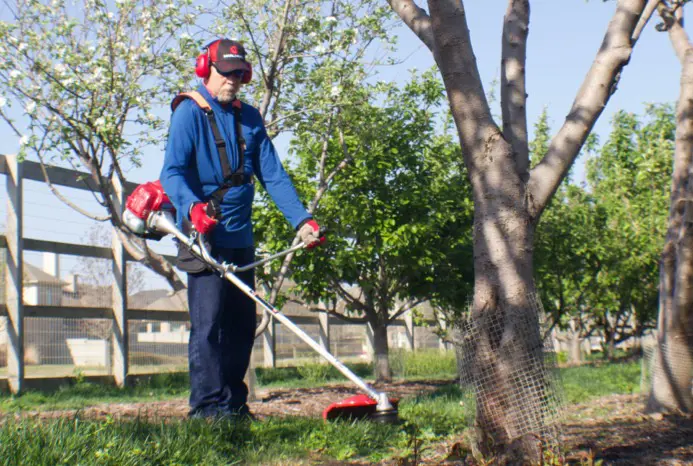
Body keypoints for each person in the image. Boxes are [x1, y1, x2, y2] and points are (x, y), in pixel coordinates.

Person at [159, 38, 323, 420]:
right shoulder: (189, 113)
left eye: (240, 73)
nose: (234, 80)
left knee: (241, 327)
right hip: (203, 236)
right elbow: (172, 172)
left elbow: (273, 175)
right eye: (227, 72)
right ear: (205, 69)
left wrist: (302, 219)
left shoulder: (249, 117)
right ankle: (206, 410)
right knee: (210, 326)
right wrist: (192, 207)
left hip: (240, 238)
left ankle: (234, 406)